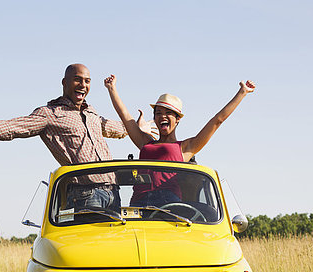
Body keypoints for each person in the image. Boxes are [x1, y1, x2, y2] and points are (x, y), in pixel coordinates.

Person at [0, 64, 149, 210]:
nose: (82, 85)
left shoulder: (91, 113)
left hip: (113, 191)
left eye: (87, 81)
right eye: (77, 79)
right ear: (64, 82)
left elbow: (117, 129)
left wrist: (138, 127)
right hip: (85, 194)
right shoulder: (49, 114)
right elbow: (14, 127)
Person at [104, 75, 255, 207]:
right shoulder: (145, 142)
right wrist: (112, 89)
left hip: (169, 202)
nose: (162, 116)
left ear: (177, 119)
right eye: (158, 113)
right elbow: (125, 116)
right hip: (139, 200)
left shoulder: (186, 147)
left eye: (168, 113)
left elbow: (217, 121)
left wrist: (241, 93)